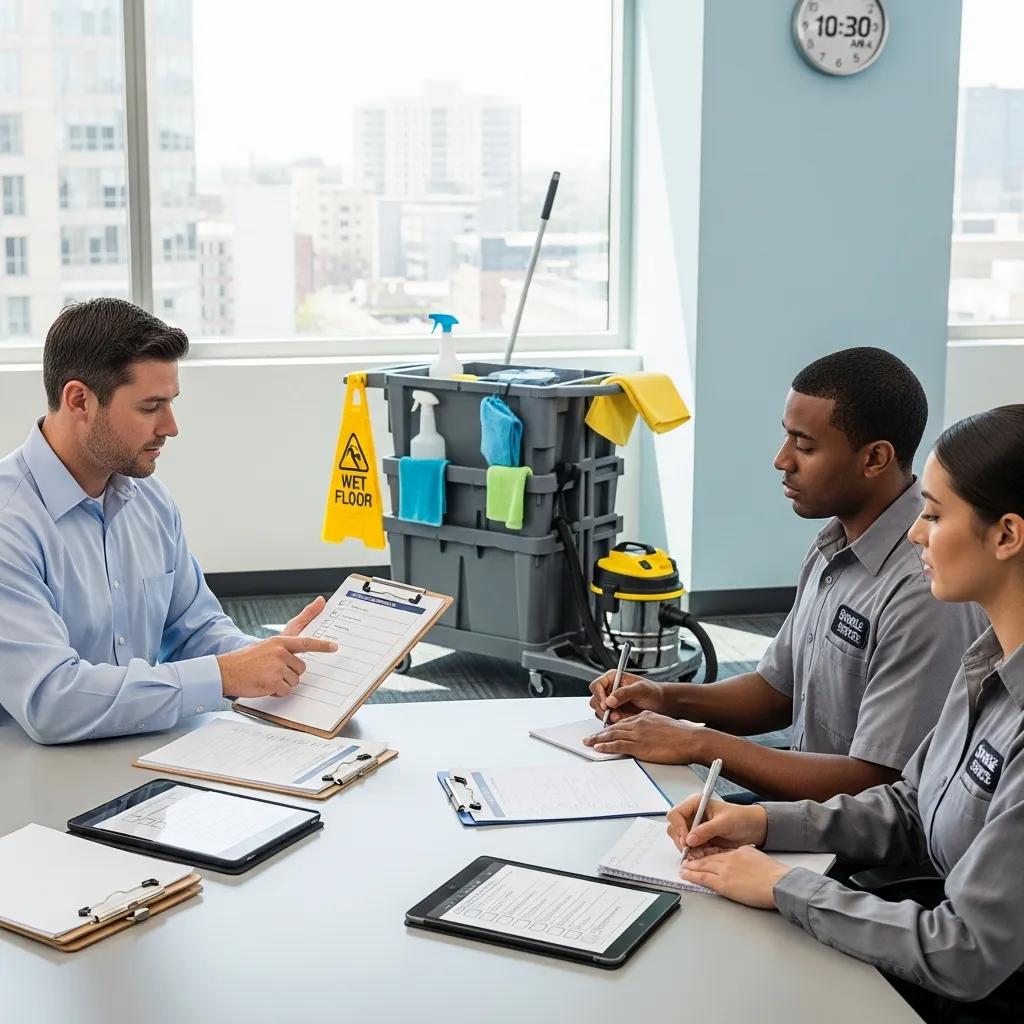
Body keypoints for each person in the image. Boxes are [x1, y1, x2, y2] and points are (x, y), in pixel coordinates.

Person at [666, 405, 1024, 1020]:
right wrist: (762, 825)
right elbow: (912, 805)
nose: (916, 532)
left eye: (934, 516)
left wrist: (782, 886)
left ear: (1007, 536)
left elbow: (967, 951)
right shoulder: (987, 660)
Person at [585, 348, 987, 801]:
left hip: (859, 850)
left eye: (806, 446)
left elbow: (880, 786)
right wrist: (664, 698)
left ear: (874, 458)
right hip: (805, 809)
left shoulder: (922, 589)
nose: (782, 460)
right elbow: (776, 692)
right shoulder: (834, 545)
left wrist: (697, 743)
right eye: (787, 439)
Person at [0, 298, 336, 744]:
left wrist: (264, 656)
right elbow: (52, 700)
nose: (171, 426)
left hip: (140, 755)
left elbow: (194, 629)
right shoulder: (11, 523)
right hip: (28, 778)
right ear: (79, 400)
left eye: (171, 403)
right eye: (150, 406)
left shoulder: (149, 501)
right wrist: (222, 675)